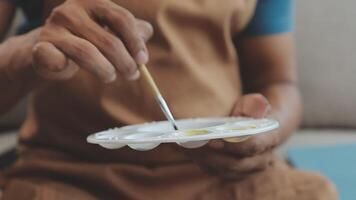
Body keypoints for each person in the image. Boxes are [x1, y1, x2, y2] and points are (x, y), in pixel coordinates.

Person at [0, 0, 338, 199]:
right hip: (68, 179)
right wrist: (26, 52)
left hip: (222, 181)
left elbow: (278, 82)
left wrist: (265, 132)